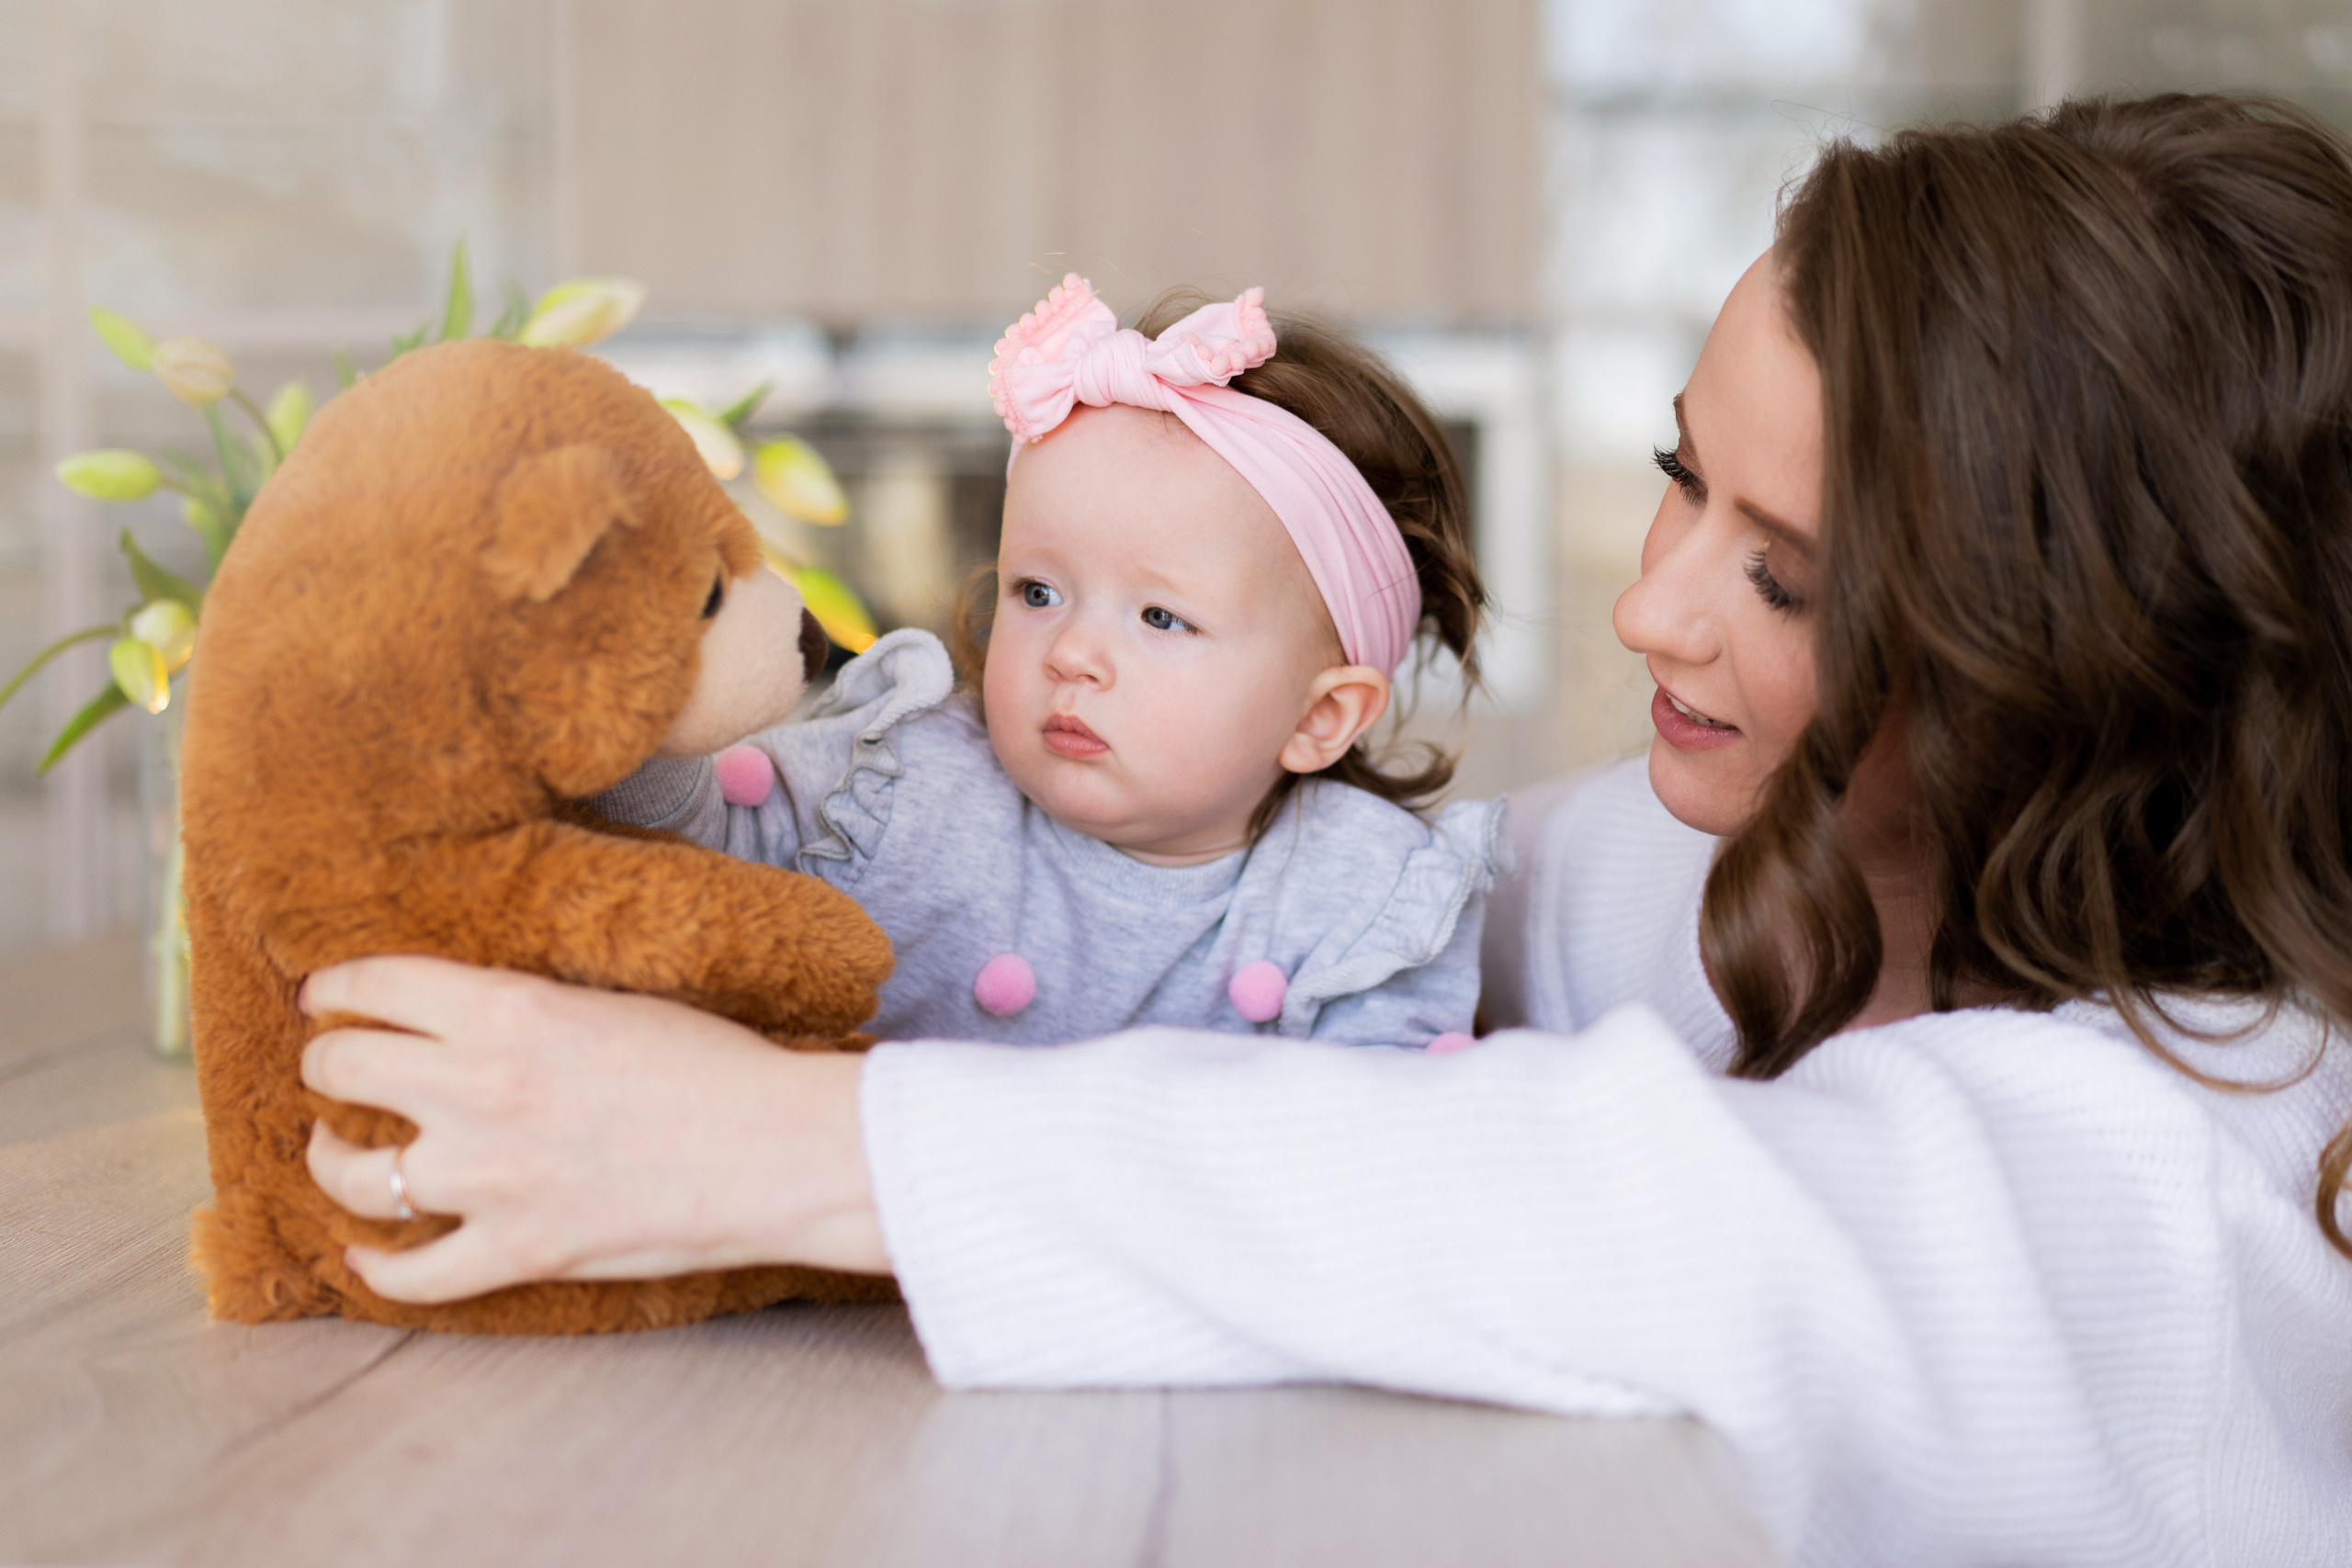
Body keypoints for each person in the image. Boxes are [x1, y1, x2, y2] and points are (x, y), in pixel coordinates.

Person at [299, 95, 2352, 1565]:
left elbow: (1618, 1208)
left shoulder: (2196, 1180)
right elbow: (1343, 903)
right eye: (1676, 479)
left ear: (2056, 669)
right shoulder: (1808, 871)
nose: (1648, 606)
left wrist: (756, 1139)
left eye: (1787, 577)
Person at [592, 276, 1499, 1049]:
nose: (1070, 654)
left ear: (1318, 719)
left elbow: (1381, 1152)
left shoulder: (1360, 900)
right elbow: (676, 847)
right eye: (1037, 592)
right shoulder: (904, 787)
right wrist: (642, 700)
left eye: (1159, 616)